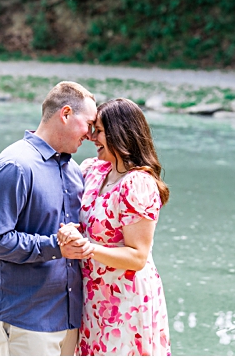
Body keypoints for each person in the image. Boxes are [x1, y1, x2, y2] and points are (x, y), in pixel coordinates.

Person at [0, 80, 98, 357]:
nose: (91, 134)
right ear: (65, 114)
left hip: (68, 320)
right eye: (89, 124)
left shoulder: (74, 171)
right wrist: (55, 246)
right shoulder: (15, 166)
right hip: (24, 318)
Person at [56, 98, 171, 356]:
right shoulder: (92, 170)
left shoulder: (138, 183)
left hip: (126, 300)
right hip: (92, 298)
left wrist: (86, 248)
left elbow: (137, 256)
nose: (91, 136)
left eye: (98, 131)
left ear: (119, 133)